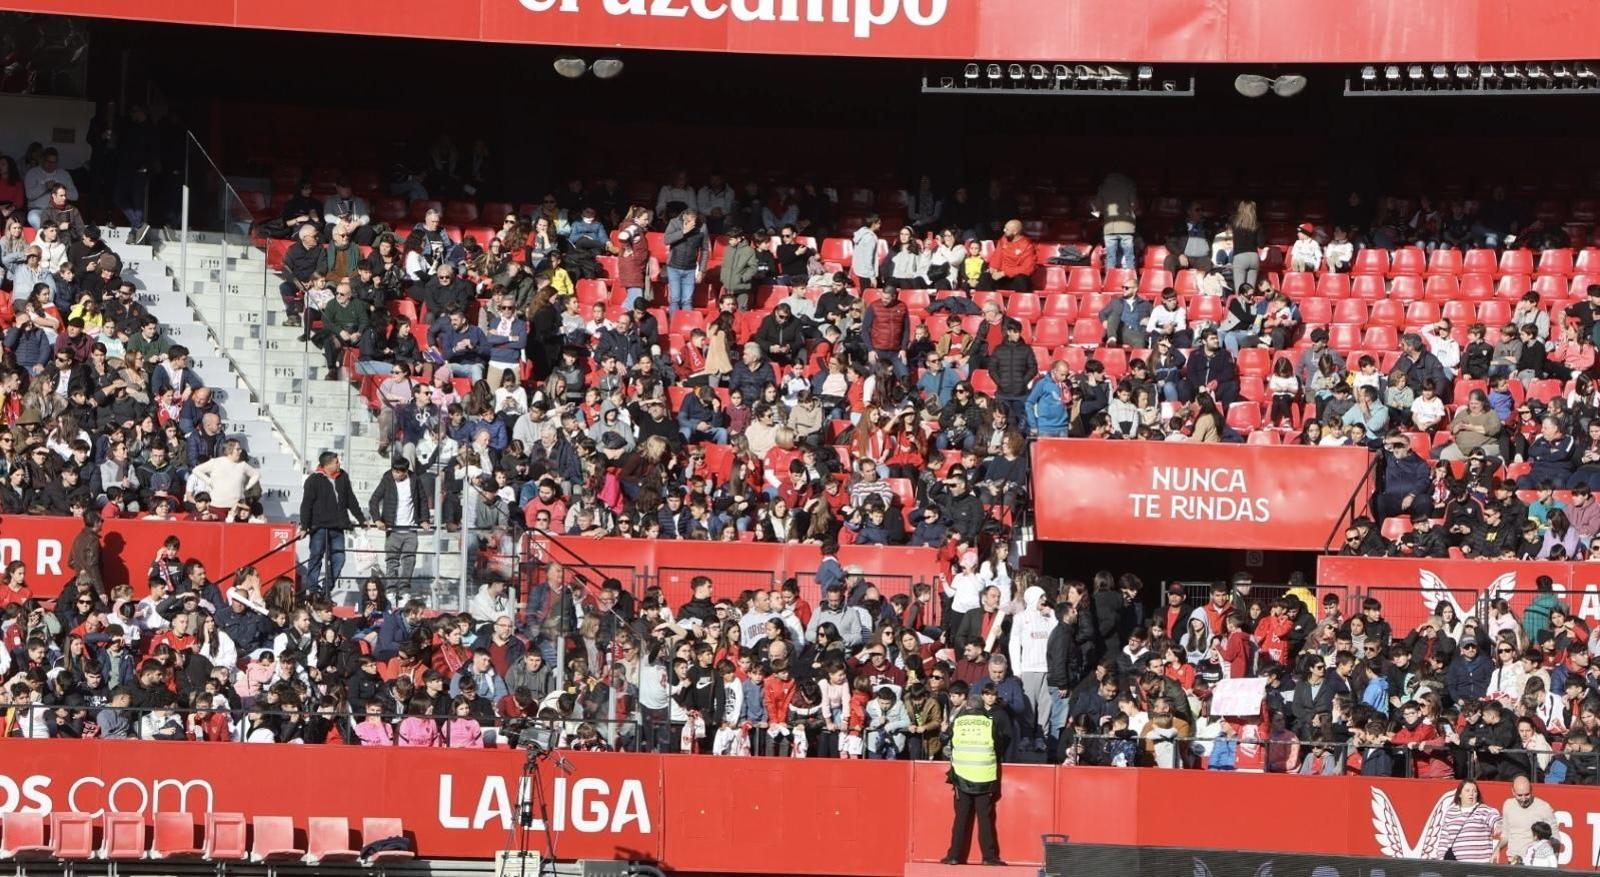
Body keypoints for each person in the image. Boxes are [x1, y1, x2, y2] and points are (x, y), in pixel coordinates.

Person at [940, 685, 1009, 866]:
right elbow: (999, 747)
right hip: (984, 777)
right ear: (982, 707)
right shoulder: (990, 723)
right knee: (985, 819)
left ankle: (954, 856)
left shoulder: (958, 722)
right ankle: (989, 857)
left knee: (961, 818)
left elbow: (944, 740)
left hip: (961, 776)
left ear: (968, 707)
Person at [298, 451, 368, 597]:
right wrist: (304, 526)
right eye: (336, 462)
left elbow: (351, 499)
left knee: (339, 558)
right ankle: (313, 591)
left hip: (338, 527)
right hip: (319, 527)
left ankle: (326, 589)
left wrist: (361, 519)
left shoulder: (343, 476)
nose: (339, 464)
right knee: (316, 558)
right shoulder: (313, 480)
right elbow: (306, 504)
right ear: (327, 464)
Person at [1423, 780, 1502, 862]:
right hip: (1456, 866)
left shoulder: (1484, 810)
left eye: (1474, 791)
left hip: (1480, 865)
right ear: (1460, 794)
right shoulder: (1450, 812)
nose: (1471, 794)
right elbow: (1444, 841)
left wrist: (1499, 826)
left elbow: (1496, 820)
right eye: (1467, 791)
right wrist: (1442, 862)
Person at [1499, 775, 1556, 866]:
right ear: (1513, 792)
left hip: (1534, 864)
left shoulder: (1544, 807)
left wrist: (1552, 864)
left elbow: (1555, 838)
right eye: (1519, 795)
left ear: (1531, 790)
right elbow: (1505, 834)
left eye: (1527, 794)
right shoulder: (1508, 805)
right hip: (1513, 861)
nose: (1524, 799)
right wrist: (1497, 849)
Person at [1093, 172, 1138, 271]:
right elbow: (1134, 204)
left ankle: (1110, 278)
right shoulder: (1129, 185)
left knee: (1110, 258)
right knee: (1129, 257)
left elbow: (1098, 206)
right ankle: (1131, 277)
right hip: (1126, 225)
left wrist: (1104, 212)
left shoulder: (1103, 187)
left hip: (1110, 226)